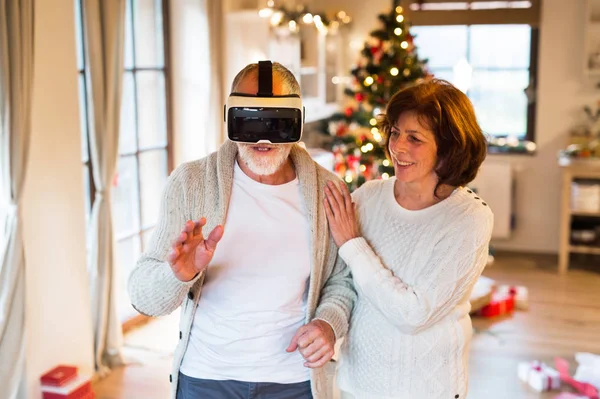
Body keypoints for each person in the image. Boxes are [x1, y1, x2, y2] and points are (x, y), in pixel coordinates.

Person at [128, 62, 356, 399]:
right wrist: (179, 274)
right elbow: (142, 297)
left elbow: (342, 281)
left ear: (297, 121)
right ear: (229, 117)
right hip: (206, 377)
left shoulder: (329, 191)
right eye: (250, 121)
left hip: (293, 379)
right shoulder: (191, 183)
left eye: (276, 122)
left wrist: (328, 323)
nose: (263, 135)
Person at [324, 79, 494, 399]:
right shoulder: (369, 197)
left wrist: (352, 244)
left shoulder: (468, 219)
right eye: (395, 132)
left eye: (414, 138)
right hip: (355, 384)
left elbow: (413, 315)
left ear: (449, 147)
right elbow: (341, 281)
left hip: (426, 390)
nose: (397, 147)